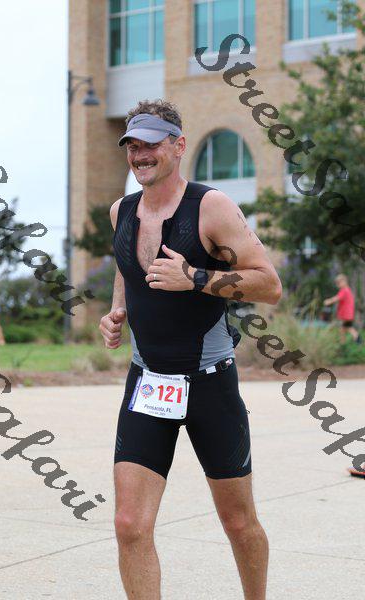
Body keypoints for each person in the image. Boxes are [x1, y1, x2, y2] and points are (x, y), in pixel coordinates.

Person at [99, 100, 282, 600]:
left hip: (209, 385)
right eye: (132, 145)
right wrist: (117, 311)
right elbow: (126, 266)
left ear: (178, 146)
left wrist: (195, 278)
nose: (140, 154)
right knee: (130, 524)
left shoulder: (211, 207)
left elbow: (269, 284)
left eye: (151, 143)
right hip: (148, 383)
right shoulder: (122, 211)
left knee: (238, 522)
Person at [323, 274, 360, 343]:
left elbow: (337, 298)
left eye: (339, 283)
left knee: (344, 328)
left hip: (345, 314)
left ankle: (346, 342)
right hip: (348, 314)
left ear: (344, 282)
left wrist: (329, 301)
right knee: (346, 328)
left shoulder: (344, 290)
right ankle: (350, 341)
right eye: (337, 283)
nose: (338, 285)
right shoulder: (348, 290)